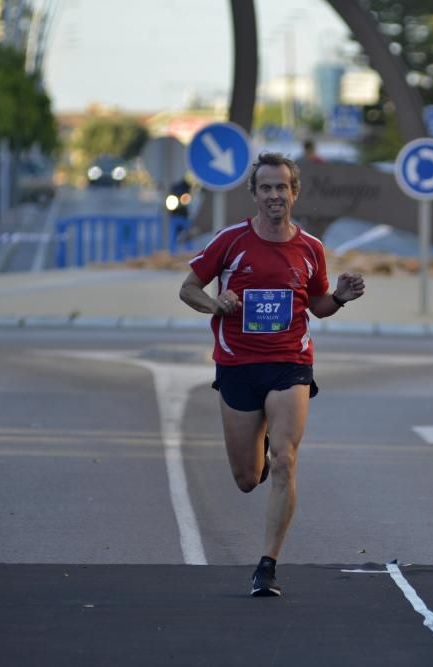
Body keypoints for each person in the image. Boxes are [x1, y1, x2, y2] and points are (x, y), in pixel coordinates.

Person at [179, 152, 365, 597]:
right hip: (238, 364)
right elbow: (188, 288)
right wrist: (215, 304)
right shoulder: (230, 241)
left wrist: (337, 298)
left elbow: (316, 305)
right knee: (247, 478)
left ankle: (268, 565)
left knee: (286, 459)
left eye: (282, 187)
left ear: (294, 192)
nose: (275, 195)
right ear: (255, 194)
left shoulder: (310, 249)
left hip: (290, 364)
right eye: (266, 187)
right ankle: (257, 447)